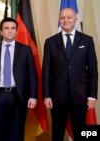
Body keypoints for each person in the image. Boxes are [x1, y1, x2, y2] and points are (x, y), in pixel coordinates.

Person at [42, 8, 98, 141]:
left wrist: (92, 96)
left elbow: (93, 70)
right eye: (62, 18)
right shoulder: (50, 42)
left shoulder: (87, 40)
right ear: (59, 20)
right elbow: (46, 70)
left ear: (75, 19)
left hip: (80, 96)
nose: (65, 20)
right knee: (57, 133)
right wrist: (46, 95)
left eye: (69, 17)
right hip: (57, 97)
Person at [0, 17, 38, 141]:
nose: (10, 31)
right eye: (6, 28)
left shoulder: (25, 50)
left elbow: (32, 75)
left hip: (18, 96)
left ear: (17, 31)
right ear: (1, 32)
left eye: (13, 28)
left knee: (17, 132)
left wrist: (33, 96)